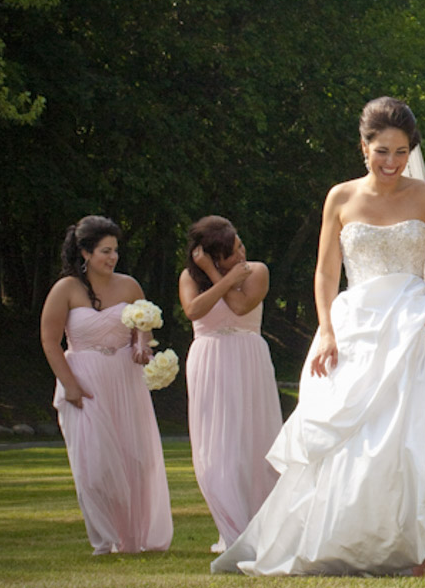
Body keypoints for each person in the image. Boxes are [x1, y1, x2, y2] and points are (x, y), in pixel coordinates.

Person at [213, 97, 425, 577]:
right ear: (363, 147)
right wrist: (325, 330)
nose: (391, 163)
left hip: (417, 320)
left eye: (401, 152)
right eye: (382, 151)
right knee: (360, 442)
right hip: (356, 325)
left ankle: (423, 555)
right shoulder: (340, 198)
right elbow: (326, 274)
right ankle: (360, 543)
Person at [39, 215, 173, 555]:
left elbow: (143, 325)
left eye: (115, 251)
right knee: (94, 465)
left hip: (125, 379)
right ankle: (104, 539)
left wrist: (143, 345)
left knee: (134, 460)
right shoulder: (65, 289)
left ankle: (134, 538)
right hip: (84, 380)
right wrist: (69, 385)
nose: (112, 258)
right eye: (104, 251)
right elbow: (50, 341)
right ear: (85, 252)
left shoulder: (129, 286)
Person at [179, 216, 283, 553]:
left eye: (240, 245)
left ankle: (263, 525)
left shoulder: (257, 271)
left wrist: (222, 275)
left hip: (248, 358)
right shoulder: (190, 278)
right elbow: (194, 310)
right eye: (231, 251)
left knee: (254, 443)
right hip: (209, 360)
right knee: (216, 446)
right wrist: (215, 276)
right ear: (210, 256)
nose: (241, 254)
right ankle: (231, 529)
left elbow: (240, 307)